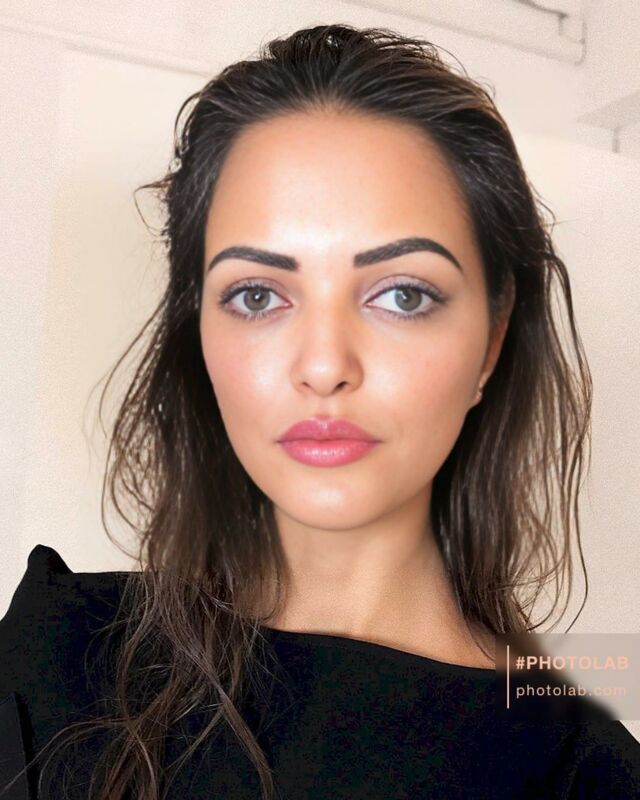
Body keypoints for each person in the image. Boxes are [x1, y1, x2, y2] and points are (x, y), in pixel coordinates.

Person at [1, 22, 639, 800]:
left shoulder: (590, 777)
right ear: (198, 328)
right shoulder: (55, 659)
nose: (325, 365)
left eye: (403, 296)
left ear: (492, 338)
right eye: (257, 295)